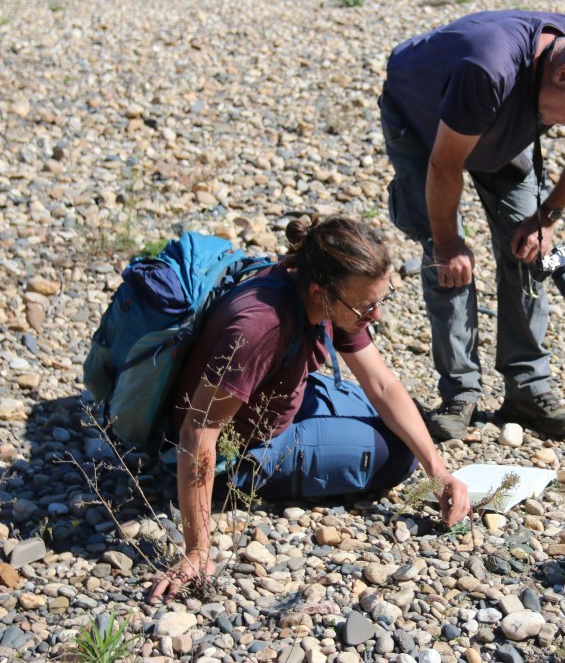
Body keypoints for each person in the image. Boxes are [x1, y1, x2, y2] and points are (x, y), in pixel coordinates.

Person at [147, 216, 470, 604]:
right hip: (247, 444)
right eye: (367, 307)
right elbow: (196, 432)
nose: (377, 316)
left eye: (382, 301)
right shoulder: (260, 328)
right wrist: (197, 552)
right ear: (321, 293)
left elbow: (382, 384)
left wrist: (438, 471)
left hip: (285, 390)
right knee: (398, 455)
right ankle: (247, 478)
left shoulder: (326, 287)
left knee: (406, 421)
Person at [381, 10, 565, 441]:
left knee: (529, 248)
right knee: (448, 260)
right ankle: (459, 394)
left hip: (499, 116)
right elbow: (445, 166)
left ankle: (527, 390)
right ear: (562, 76)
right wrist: (448, 244)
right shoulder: (486, 70)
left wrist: (546, 218)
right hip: (423, 118)